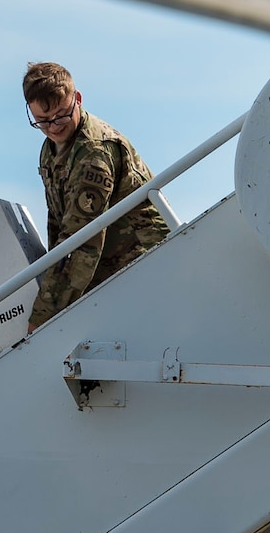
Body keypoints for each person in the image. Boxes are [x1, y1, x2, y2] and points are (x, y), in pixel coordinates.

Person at [23, 63, 169, 332]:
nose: (54, 127)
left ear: (77, 99)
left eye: (61, 115)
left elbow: (82, 241)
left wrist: (43, 316)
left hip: (143, 265)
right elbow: (59, 226)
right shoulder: (51, 149)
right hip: (108, 271)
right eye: (42, 121)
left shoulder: (94, 153)